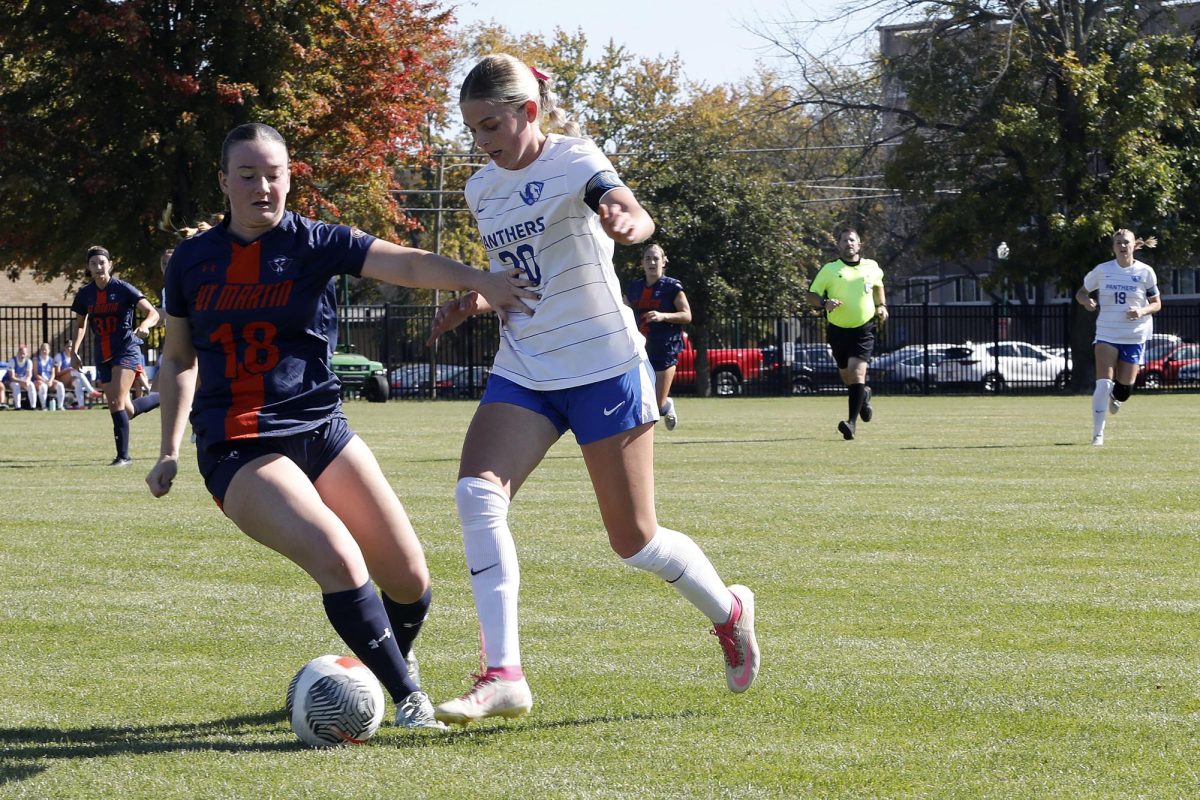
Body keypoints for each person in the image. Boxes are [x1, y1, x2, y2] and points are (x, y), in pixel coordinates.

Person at [145, 122, 536, 730]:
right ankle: (411, 702)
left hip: (323, 431)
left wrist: (477, 279)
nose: (262, 186)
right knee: (340, 559)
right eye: (247, 175)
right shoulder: (192, 262)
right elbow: (176, 357)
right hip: (239, 444)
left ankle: (373, 675)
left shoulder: (315, 241)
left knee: (409, 581)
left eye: (273, 173)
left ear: (289, 176)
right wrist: (169, 448)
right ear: (224, 183)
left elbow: (403, 263)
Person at [426, 54, 759, 726]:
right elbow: (515, 279)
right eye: (472, 129)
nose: (484, 139)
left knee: (634, 541)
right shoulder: (479, 190)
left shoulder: (575, 159)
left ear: (526, 113)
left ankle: (728, 610)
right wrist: (474, 302)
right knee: (476, 494)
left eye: (492, 123)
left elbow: (622, 203)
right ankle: (503, 674)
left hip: (604, 367)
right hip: (525, 369)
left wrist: (632, 222)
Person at [70, 246, 162, 464]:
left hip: (126, 350)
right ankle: (165, 397)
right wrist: (74, 351)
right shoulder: (85, 294)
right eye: (94, 263)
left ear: (110, 264)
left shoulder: (123, 288)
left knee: (115, 401)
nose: (98, 266)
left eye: (102, 262)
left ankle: (123, 457)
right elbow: (80, 325)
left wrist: (146, 325)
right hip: (102, 353)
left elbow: (153, 312)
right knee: (125, 409)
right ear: (88, 268)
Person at [1074, 229, 1161, 446]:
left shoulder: (1145, 272)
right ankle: (1097, 434)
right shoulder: (1102, 271)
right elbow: (1081, 293)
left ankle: (1117, 397)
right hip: (1106, 333)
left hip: (1134, 335)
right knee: (1103, 383)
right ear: (1113, 247)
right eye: (1118, 243)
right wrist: (1087, 302)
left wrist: (1141, 311)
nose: (1122, 246)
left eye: (1126, 243)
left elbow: (1157, 303)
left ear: (1134, 246)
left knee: (1123, 392)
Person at [805, 227, 887, 440]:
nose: (848, 243)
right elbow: (811, 295)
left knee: (857, 373)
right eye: (844, 241)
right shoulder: (830, 270)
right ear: (839, 245)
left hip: (863, 329)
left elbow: (878, 285)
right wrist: (825, 303)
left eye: (852, 240)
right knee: (847, 377)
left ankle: (851, 424)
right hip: (838, 331)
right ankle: (864, 395)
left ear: (859, 244)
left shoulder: (871, 267)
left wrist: (882, 306)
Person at [624, 244, 691, 430]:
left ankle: (667, 405)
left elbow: (687, 315)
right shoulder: (634, 287)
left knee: (657, 405)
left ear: (664, 261)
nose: (652, 262)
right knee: (639, 402)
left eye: (656, 258)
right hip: (639, 349)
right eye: (648, 258)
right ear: (642, 263)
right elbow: (625, 310)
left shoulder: (672, 287)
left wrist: (663, 316)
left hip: (665, 348)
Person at [55, 342, 100, 410]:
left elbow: (80, 370)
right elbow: (57, 374)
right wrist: (68, 369)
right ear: (64, 348)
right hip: (62, 380)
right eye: (68, 346)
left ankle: (81, 405)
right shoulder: (59, 356)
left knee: (78, 382)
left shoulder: (76, 357)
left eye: (71, 347)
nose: (70, 348)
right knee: (75, 371)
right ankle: (91, 391)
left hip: (72, 380)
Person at [32, 342, 66, 410]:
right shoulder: (36, 360)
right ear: (40, 350)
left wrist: (50, 381)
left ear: (49, 350)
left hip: (49, 380)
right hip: (39, 380)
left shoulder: (51, 360)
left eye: (46, 349)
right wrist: (44, 381)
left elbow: (53, 373)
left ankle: (60, 406)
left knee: (60, 385)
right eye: (43, 349)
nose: (44, 351)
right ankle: (44, 406)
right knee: (43, 387)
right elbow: (35, 374)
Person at [7, 344, 36, 410]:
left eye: (24, 353)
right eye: (20, 353)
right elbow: (12, 377)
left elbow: (29, 375)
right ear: (18, 353)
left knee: (31, 385)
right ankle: (18, 407)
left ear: (26, 354)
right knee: (16, 386)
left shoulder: (29, 362)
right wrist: (21, 381)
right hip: (13, 381)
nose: (22, 355)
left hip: (23, 380)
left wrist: (27, 381)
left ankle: (33, 406)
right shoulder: (12, 361)